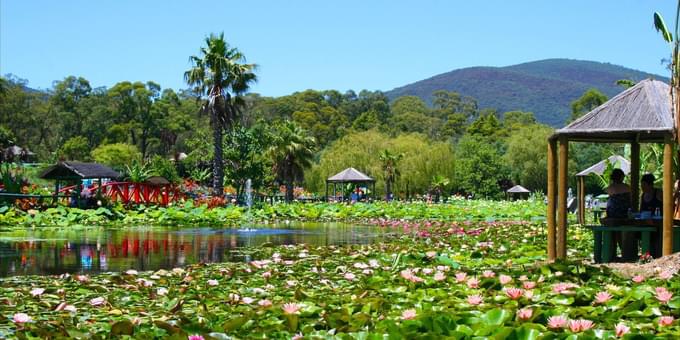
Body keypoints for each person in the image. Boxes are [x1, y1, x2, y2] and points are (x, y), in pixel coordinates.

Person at [605, 168, 634, 261]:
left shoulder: (610, 188)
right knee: (624, 234)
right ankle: (626, 253)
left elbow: (609, 205)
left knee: (613, 233)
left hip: (612, 216)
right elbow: (630, 202)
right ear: (621, 177)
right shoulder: (627, 187)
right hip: (625, 215)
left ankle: (611, 254)